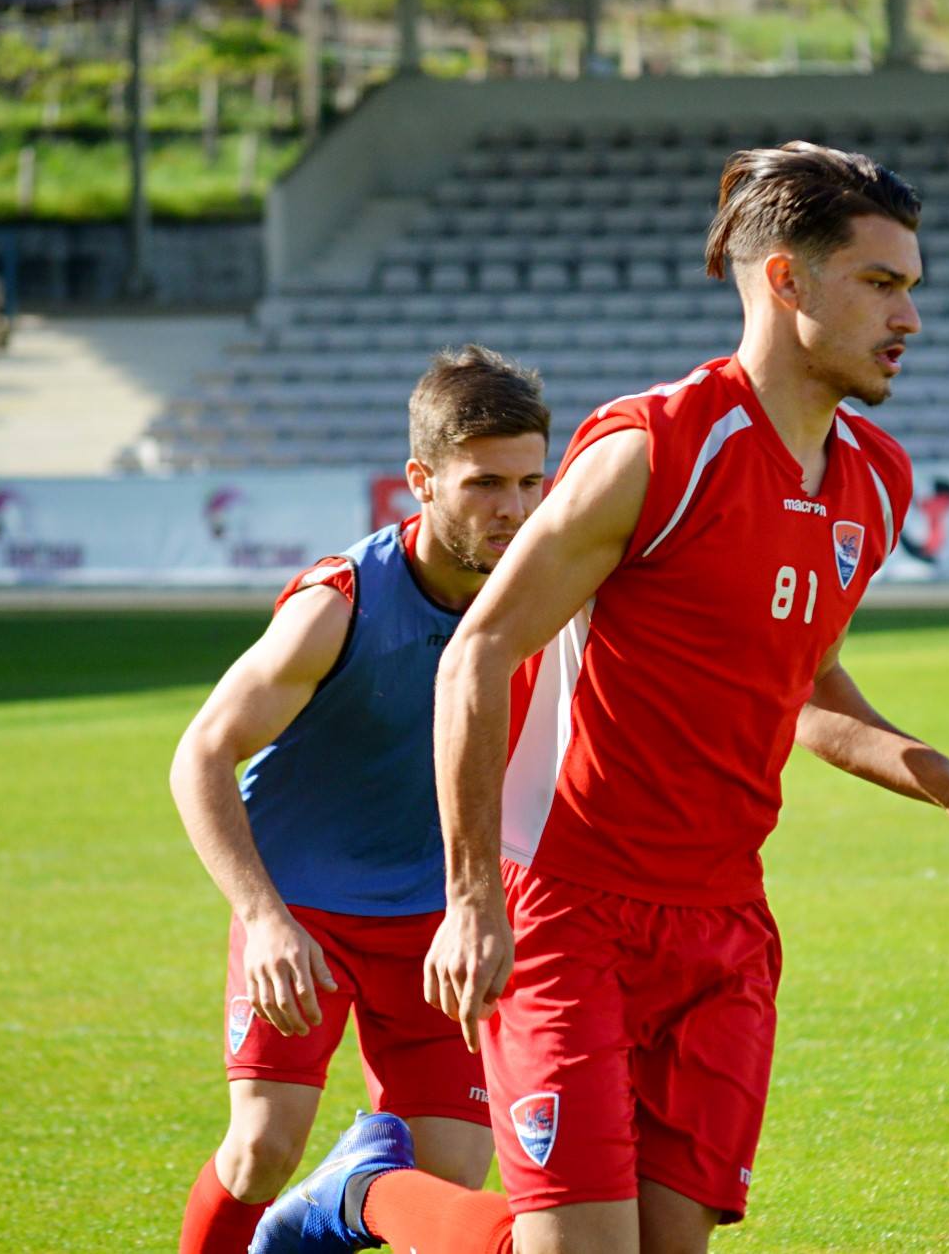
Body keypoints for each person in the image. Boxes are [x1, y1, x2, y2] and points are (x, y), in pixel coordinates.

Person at [251, 142, 949, 1254]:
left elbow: (804, 686)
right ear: (785, 281)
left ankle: (368, 1188)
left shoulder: (877, 480)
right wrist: (470, 897)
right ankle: (365, 1197)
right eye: (881, 284)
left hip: (722, 923)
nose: (910, 318)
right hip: (568, 906)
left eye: (911, 287)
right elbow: (476, 655)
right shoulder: (655, 449)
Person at [172, 346, 551, 1254]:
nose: (512, 508)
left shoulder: (545, 593)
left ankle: (346, 1193)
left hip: (440, 921)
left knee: (447, 1175)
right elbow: (202, 754)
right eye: (484, 484)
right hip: (305, 911)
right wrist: (262, 919)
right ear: (421, 481)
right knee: (263, 1148)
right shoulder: (337, 604)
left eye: (530, 482)